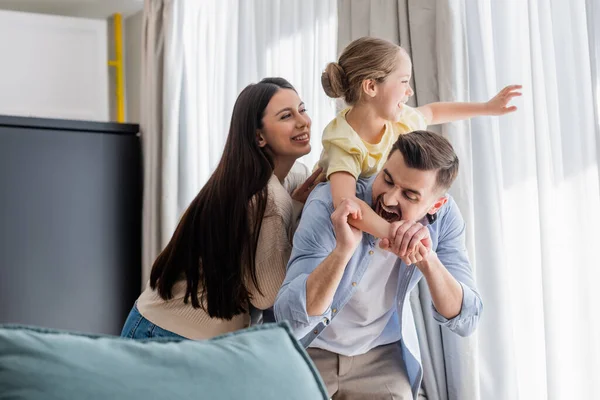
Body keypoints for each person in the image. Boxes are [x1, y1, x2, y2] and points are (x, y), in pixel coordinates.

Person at [275, 130, 483, 399]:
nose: (388, 198)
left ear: (437, 204)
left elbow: (468, 319)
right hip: (310, 350)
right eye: (387, 179)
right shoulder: (330, 202)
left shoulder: (445, 219)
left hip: (381, 357)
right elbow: (289, 318)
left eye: (409, 195)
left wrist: (428, 261)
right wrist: (342, 251)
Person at [121, 77, 323, 340]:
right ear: (259, 137)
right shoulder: (267, 196)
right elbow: (267, 294)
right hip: (167, 333)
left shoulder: (279, 177)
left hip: (169, 325)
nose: (302, 121)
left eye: (302, 109)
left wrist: (296, 205)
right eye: (286, 116)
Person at [318, 36, 521, 239]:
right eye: (404, 81)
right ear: (371, 87)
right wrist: (396, 236)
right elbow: (346, 206)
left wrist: (487, 108)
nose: (410, 91)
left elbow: (433, 112)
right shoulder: (343, 142)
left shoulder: (400, 120)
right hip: (329, 228)